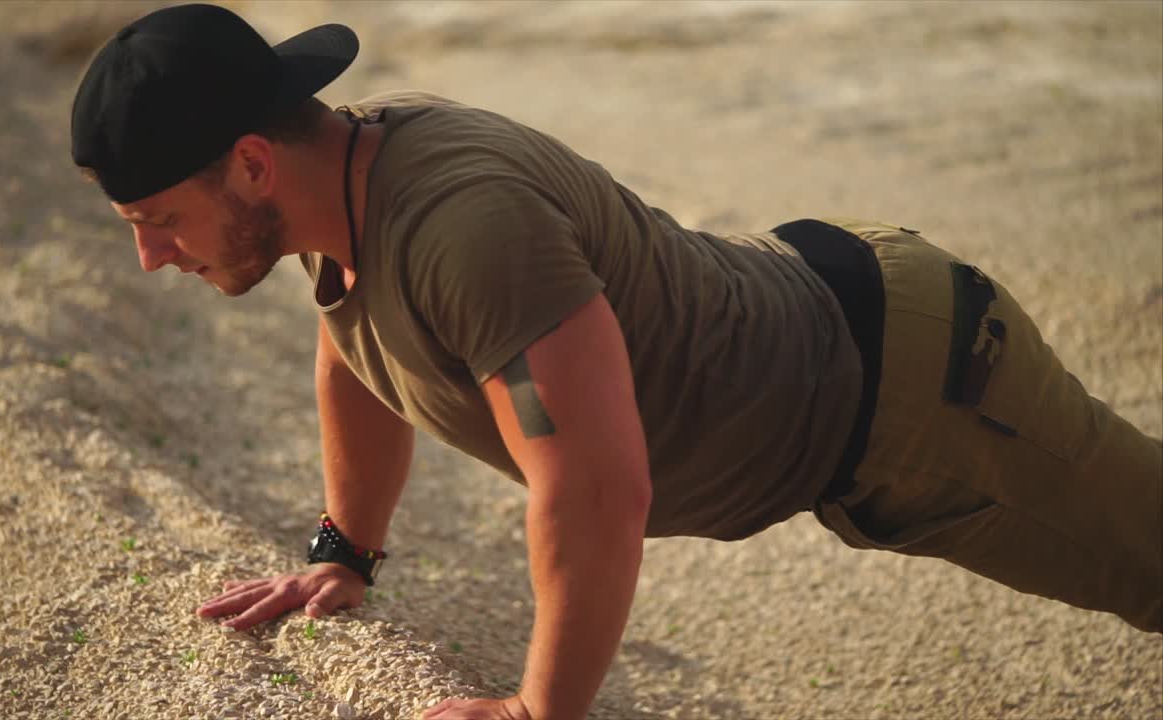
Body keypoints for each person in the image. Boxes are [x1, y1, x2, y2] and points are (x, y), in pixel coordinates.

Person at [70, 4, 1162, 719]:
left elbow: (593, 488)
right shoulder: (341, 184)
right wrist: (344, 549)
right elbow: (353, 347)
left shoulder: (461, 227)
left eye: (158, 218)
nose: (149, 257)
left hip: (914, 393)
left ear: (252, 163)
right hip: (829, 324)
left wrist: (535, 714)